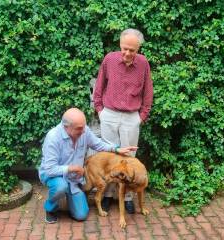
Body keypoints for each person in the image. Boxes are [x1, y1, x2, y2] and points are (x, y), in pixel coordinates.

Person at [38, 108, 137, 224]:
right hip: (53, 176)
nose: (84, 131)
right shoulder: (53, 137)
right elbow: (49, 169)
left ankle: (71, 195)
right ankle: (50, 208)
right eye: (79, 128)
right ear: (66, 127)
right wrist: (72, 168)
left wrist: (116, 149)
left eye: (84, 126)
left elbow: (98, 144)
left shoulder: (83, 131)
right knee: (60, 186)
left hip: (74, 179)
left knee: (81, 215)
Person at [93, 28, 153, 214]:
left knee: (129, 159)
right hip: (109, 114)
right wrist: (100, 110)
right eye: (124, 48)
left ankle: (127, 197)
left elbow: (148, 92)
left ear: (138, 49)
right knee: (110, 157)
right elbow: (99, 85)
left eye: (132, 50)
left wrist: (141, 117)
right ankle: (108, 196)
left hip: (130, 118)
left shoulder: (143, 64)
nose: (127, 53)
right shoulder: (109, 59)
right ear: (120, 45)